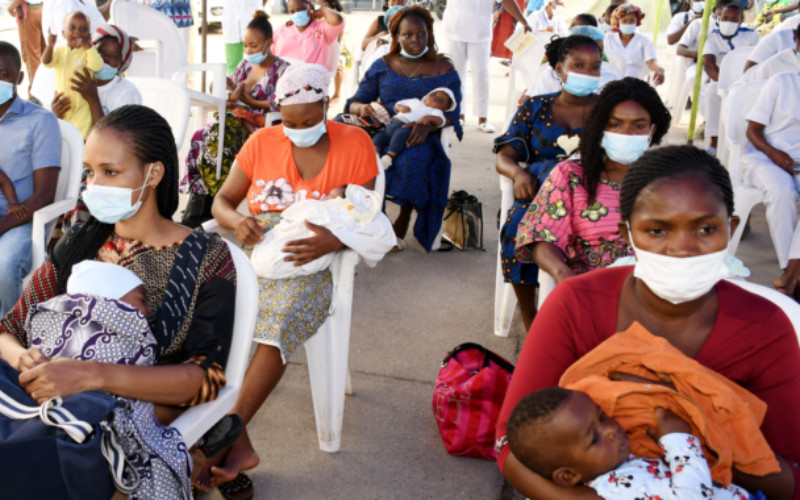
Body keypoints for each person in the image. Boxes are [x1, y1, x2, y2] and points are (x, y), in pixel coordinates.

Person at [496, 145, 800, 499]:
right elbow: (510, 446)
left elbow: (788, 479)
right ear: (627, 235)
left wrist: (698, 416)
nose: (682, 248)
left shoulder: (764, 327)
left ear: (731, 229)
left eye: (705, 228)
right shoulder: (575, 305)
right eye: (657, 230)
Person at [0, 104, 237, 498]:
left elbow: (204, 379)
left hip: (118, 411)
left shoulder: (204, 258)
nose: (94, 185)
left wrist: (91, 374)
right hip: (41, 392)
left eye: (110, 172)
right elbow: (8, 330)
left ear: (153, 173)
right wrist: (24, 358)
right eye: (90, 173)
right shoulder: (81, 242)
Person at [196, 63, 379, 499]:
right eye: (290, 122)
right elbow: (222, 201)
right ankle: (229, 445)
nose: (298, 130)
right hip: (255, 249)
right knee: (205, 315)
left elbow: (365, 213)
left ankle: (215, 446)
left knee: (277, 324)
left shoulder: (355, 143)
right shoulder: (262, 141)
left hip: (312, 259)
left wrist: (331, 242)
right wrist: (238, 222)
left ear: (326, 104)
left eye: (310, 121)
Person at [515, 77, 670, 283]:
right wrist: (563, 275)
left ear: (652, 130)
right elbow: (541, 234)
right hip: (592, 287)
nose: (626, 133)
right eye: (615, 124)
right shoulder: (572, 175)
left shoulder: (671, 181)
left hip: (660, 287)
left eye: (638, 125)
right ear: (601, 128)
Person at [494, 34, 601, 330]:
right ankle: (531, 318)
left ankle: (586, 314)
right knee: (516, 228)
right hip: (539, 196)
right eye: (578, 65)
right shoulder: (535, 107)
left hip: (592, 196)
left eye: (594, 67)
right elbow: (504, 155)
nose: (587, 73)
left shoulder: (610, 111)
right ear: (558, 69)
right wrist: (519, 173)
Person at [345, 6, 463, 252]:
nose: (415, 40)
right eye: (407, 35)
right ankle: (380, 220)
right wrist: (364, 108)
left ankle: (405, 213)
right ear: (396, 37)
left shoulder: (443, 68)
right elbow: (354, 101)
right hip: (383, 127)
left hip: (421, 134)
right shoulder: (383, 64)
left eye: (421, 34)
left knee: (413, 159)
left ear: (430, 33)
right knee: (360, 156)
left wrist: (430, 124)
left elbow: (453, 112)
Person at [506, 388, 753, 498]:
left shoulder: (610, 470)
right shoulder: (618, 492)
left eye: (602, 416)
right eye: (594, 438)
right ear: (568, 475)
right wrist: (677, 439)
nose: (611, 430)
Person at [181, 11, 290, 228]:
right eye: (245, 45)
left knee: (217, 144)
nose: (248, 51)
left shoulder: (282, 69)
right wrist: (225, 85)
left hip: (259, 128)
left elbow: (283, 104)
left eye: (254, 46)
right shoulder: (245, 65)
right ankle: (200, 205)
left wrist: (250, 100)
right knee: (199, 138)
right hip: (234, 119)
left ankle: (206, 210)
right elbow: (229, 90)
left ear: (269, 42)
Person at [0, 42, 60, 317]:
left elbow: (44, 195)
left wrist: (3, 225)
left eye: (3, 74)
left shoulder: (40, 121)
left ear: (19, 78)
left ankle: (7, 346)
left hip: (20, 220)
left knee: (4, 267)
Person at [742, 71, 800, 298]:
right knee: (781, 192)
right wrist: (774, 153)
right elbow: (752, 130)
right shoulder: (782, 82)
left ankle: (790, 277)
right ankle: (789, 270)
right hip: (767, 157)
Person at [442, 0, 530, 133]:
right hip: (454, 28)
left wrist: (523, 21)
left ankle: (482, 118)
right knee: (456, 76)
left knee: (481, 74)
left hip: (480, 31)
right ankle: (458, 115)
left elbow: (507, 1)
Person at [50, 23, 141, 129]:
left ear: (122, 63)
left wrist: (93, 99)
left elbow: (110, 139)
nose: (106, 58)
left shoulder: (127, 92)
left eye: (114, 56)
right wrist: (56, 116)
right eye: (101, 51)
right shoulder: (77, 80)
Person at [700, 3, 758, 155]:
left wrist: (742, 84)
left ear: (740, 21)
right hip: (720, 81)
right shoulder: (712, 37)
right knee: (712, 91)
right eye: (725, 18)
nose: (729, 21)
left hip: (746, 81)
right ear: (719, 18)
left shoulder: (751, 36)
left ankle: (745, 141)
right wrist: (727, 85)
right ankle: (714, 141)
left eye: (734, 19)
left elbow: (758, 62)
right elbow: (709, 65)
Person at [41, 10, 104, 139]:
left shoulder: (87, 52)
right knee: (65, 134)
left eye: (83, 29)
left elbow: (97, 65)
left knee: (81, 135)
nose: (78, 31)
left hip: (82, 104)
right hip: (64, 104)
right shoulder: (59, 51)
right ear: (64, 33)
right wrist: (50, 46)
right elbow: (46, 62)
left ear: (89, 35)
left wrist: (89, 48)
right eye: (72, 27)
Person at [524, 24, 622, 98]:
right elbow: (534, 102)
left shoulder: (610, 78)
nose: (596, 54)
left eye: (600, 49)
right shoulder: (551, 74)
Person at [372, 87, 456, 169]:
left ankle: (389, 157)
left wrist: (430, 118)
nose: (435, 97)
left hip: (406, 126)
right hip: (393, 123)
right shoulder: (414, 101)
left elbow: (441, 121)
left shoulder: (435, 111)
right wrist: (400, 108)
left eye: (440, 100)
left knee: (399, 137)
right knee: (380, 136)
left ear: (444, 108)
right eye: (433, 94)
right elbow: (397, 105)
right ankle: (374, 155)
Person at [604, 4, 665, 85]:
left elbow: (651, 62)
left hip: (634, 81)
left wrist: (660, 70)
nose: (628, 24)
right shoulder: (608, 39)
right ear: (618, 22)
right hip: (611, 80)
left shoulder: (644, 41)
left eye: (632, 20)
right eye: (624, 21)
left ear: (637, 21)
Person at [272, 0, 344, 67]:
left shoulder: (322, 29)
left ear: (310, 6)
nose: (297, 14)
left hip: (312, 78)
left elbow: (337, 20)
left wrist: (323, 10)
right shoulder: (280, 32)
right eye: (292, 11)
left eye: (300, 9)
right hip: (284, 78)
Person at [7, 0, 45, 94]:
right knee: (44, 54)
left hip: (30, 13)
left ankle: (36, 93)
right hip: (43, 10)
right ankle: (46, 91)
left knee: (32, 56)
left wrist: (10, 8)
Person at [223, 0, 266, 75]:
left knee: (256, 64)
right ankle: (234, 85)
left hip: (251, 23)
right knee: (233, 67)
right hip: (231, 25)